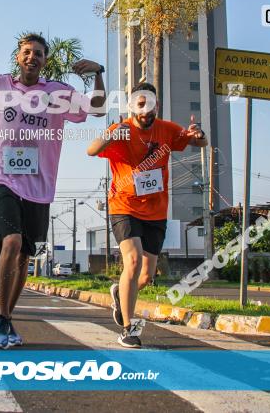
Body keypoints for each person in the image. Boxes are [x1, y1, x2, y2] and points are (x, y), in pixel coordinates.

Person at [0, 33, 106, 348]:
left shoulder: (58, 92)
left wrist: (99, 72)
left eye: (38, 53)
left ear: (45, 60)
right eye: (26, 52)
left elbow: (99, 109)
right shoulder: (0, 84)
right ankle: (1, 319)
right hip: (1, 177)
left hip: (39, 185)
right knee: (11, 240)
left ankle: (7, 315)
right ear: (18, 57)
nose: (31, 57)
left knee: (24, 254)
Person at [87, 82, 207, 348]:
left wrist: (199, 134)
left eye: (149, 103)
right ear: (132, 106)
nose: (145, 109)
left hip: (156, 211)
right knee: (132, 262)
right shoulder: (123, 131)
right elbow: (92, 150)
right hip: (124, 206)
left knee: (146, 276)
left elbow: (201, 143)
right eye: (139, 104)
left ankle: (120, 292)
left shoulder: (167, 130)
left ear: (157, 105)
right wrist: (112, 134)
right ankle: (128, 329)